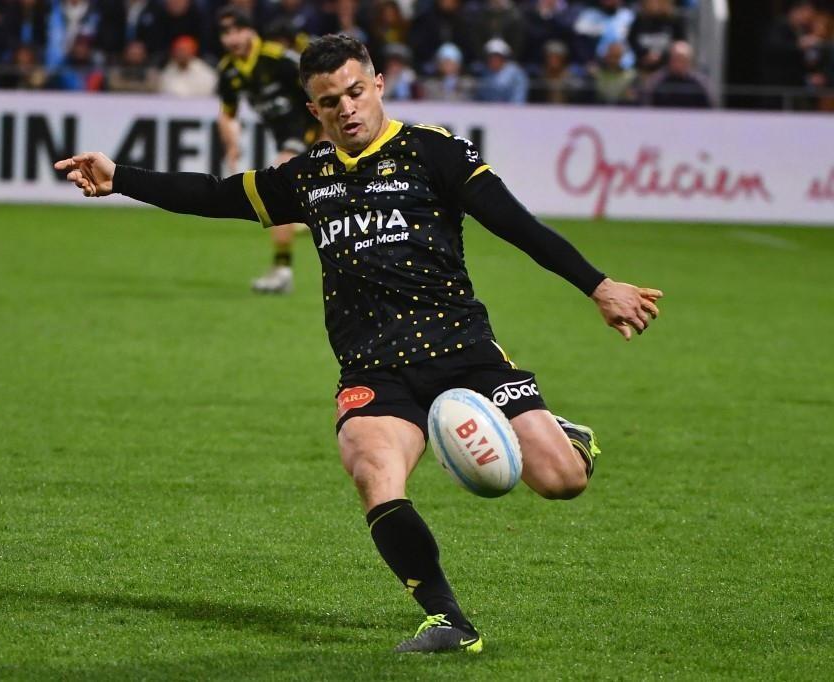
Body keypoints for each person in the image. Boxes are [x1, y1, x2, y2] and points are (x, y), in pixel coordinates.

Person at [54, 34, 662, 654]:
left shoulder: (434, 152)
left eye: (353, 92)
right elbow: (213, 194)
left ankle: (567, 438)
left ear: (377, 84)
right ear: (312, 110)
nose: (345, 108)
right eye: (328, 101)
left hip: (462, 349)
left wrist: (598, 285)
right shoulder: (306, 176)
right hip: (374, 365)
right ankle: (447, 620)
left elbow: (517, 225)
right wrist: (121, 177)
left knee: (561, 481)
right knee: (373, 469)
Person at [215, 7, 322, 294]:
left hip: (314, 134)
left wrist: (326, 138)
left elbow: (319, 95)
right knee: (285, 196)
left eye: (237, 30)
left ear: (251, 31)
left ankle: (284, 269)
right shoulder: (229, 70)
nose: (232, 38)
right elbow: (227, 114)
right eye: (225, 33)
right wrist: (232, 145)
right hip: (289, 140)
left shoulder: (278, 59)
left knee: (276, 185)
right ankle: (285, 264)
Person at [644, 40, 713, 108]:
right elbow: (646, 105)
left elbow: (709, 108)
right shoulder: (656, 82)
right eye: (676, 59)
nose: (678, 64)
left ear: (689, 61)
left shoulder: (700, 83)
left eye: (683, 60)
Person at [475, 37, 529, 103]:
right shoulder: (483, 72)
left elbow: (518, 97)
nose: (493, 59)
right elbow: (480, 97)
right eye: (490, 56)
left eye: (497, 56)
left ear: (504, 57)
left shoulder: (516, 73)